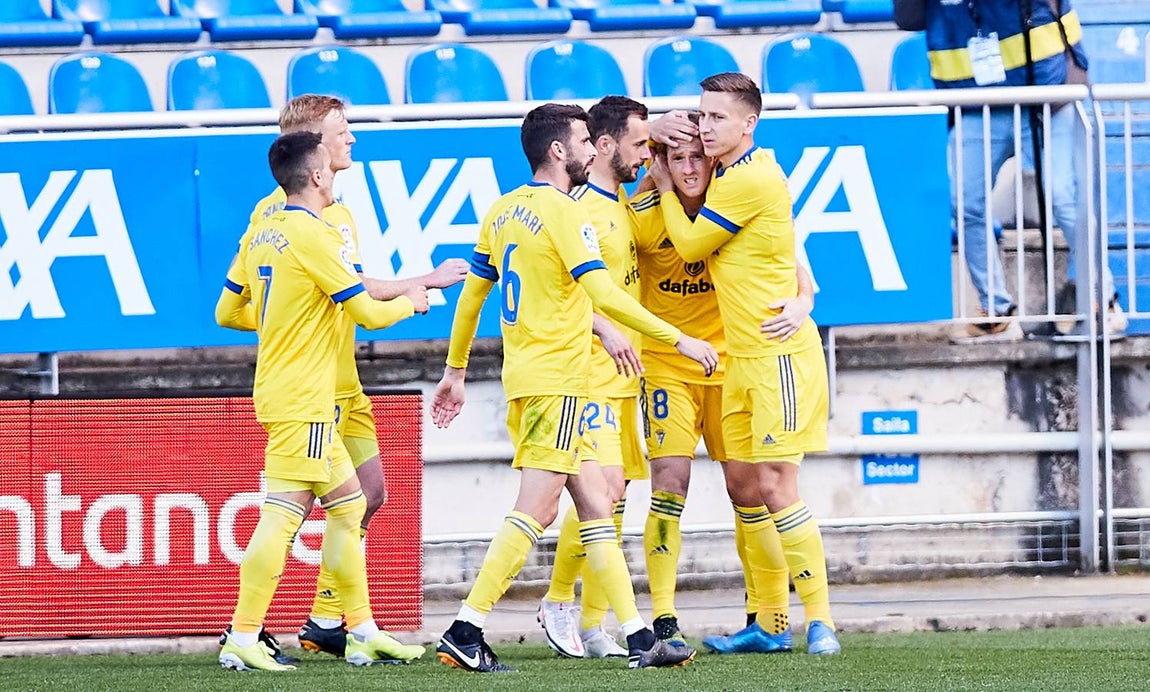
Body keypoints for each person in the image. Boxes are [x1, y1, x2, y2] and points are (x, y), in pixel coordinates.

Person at [430, 103, 717, 673]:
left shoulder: (503, 208)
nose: (593, 149)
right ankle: (467, 626)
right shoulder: (567, 211)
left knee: (596, 506)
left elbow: (472, 296)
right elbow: (604, 295)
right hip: (560, 381)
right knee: (534, 511)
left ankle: (639, 637)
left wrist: (457, 371)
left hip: (530, 379)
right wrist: (677, 338)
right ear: (559, 150)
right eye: (585, 140)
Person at [229, 94, 469, 660]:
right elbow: (359, 302)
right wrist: (421, 291)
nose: (352, 138)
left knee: (358, 501)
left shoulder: (315, 217)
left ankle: (351, 627)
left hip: (328, 383)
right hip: (311, 389)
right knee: (287, 511)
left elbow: (251, 304)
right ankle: (244, 635)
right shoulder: (299, 221)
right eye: (342, 129)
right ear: (313, 149)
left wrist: (288, 317)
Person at [648, 72, 840, 656]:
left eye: (718, 119)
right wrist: (806, 295)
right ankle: (770, 624)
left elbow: (687, 246)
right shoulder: (734, 174)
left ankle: (821, 623)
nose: (706, 129)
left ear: (748, 123)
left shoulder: (749, 178)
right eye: (701, 117)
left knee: (778, 486)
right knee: (745, 486)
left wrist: (659, 180)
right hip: (739, 362)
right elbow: (790, 246)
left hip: (776, 357)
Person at [893, 0, 1125, 340]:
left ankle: (1102, 300)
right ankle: (996, 310)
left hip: (1047, 91)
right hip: (974, 101)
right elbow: (908, 17)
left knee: (1063, 197)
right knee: (965, 201)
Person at [537, 96, 653, 660]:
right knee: (598, 495)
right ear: (603, 146)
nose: (646, 154)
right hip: (587, 371)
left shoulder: (621, 199)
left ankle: (592, 622)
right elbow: (573, 286)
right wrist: (605, 328)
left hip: (624, 373)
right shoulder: (577, 205)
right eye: (638, 144)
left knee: (617, 494)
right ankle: (560, 602)